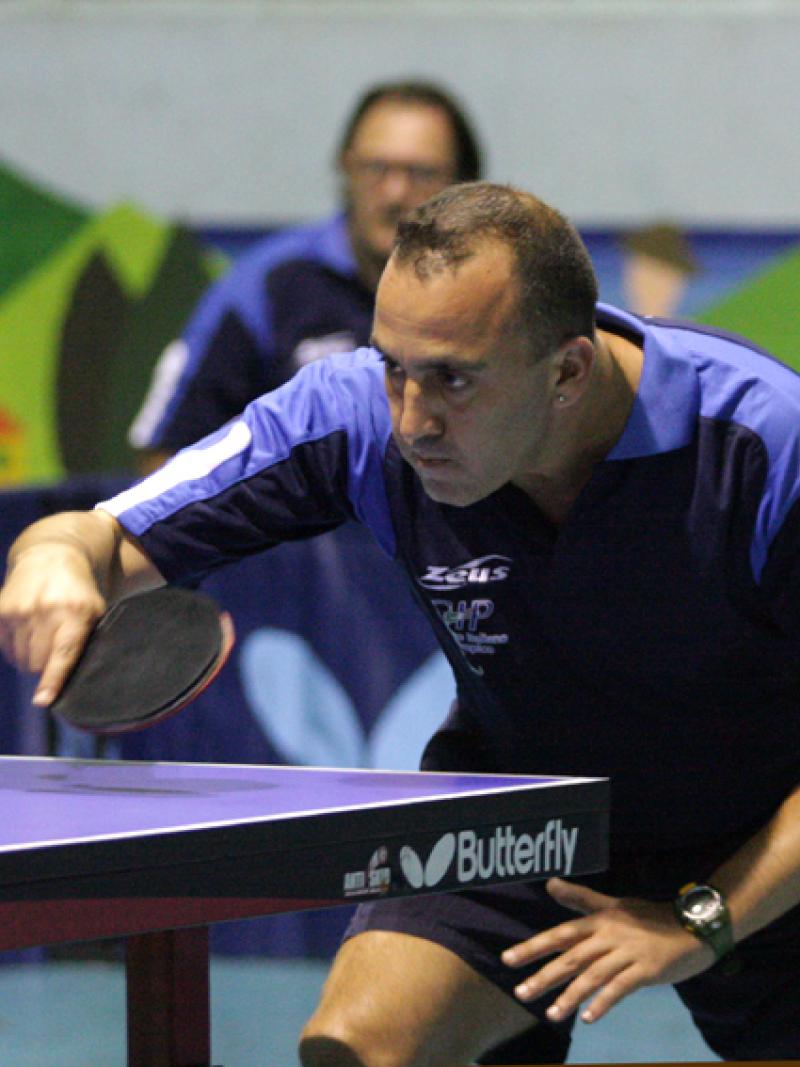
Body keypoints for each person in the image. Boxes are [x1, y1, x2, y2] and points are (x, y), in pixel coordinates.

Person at [3, 182, 800, 1066]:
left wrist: (701, 920)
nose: (413, 421)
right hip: (523, 808)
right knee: (362, 1046)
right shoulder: (352, 415)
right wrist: (54, 560)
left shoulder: (763, 445)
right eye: (393, 366)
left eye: (454, 378)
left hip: (766, 835)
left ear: (568, 371)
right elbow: (103, 532)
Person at [128, 79, 482, 472]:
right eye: (376, 168)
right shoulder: (266, 285)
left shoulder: (497, 291)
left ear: (463, 182)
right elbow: (167, 456)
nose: (395, 193)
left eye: (421, 173)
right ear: (345, 168)